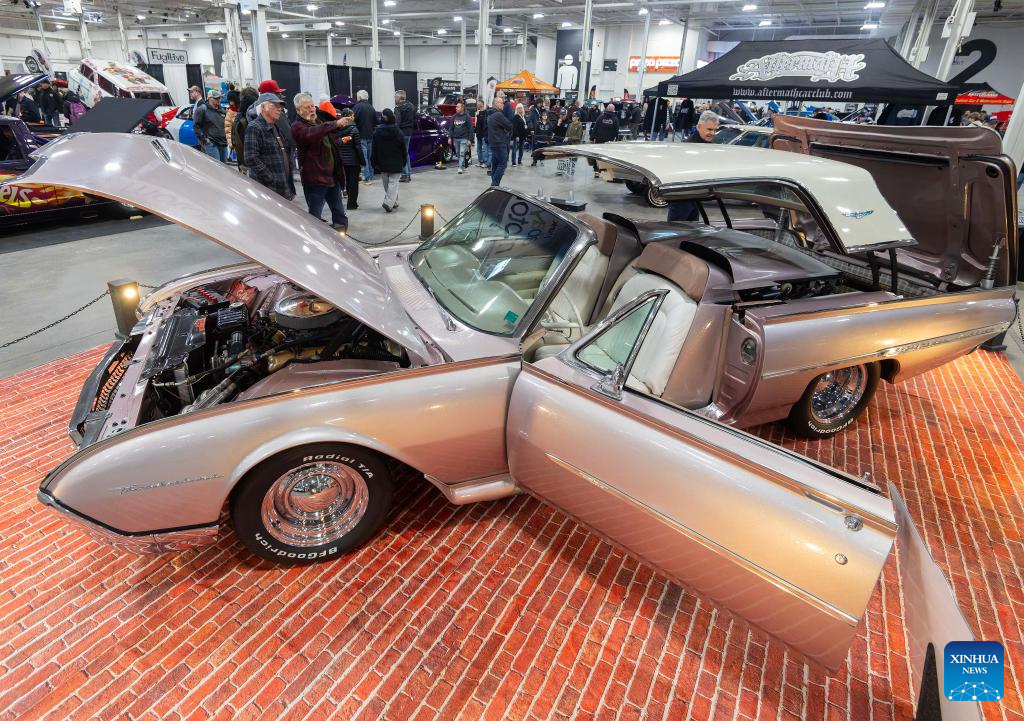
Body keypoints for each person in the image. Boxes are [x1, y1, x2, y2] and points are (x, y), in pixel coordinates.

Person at [291, 92, 348, 229]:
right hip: (315, 180)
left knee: (340, 215)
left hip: (332, 177)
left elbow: (329, 139)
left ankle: (340, 237)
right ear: (298, 110)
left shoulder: (319, 121)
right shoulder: (297, 127)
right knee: (314, 218)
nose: (312, 109)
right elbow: (311, 134)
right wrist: (334, 124)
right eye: (307, 107)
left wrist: (339, 135)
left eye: (312, 106)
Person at [245, 93, 295, 200]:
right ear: (263, 107)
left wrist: (289, 184)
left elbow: (285, 153)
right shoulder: (254, 127)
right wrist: (271, 178)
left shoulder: (275, 127)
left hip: (282, 186)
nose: (279, 109)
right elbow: (251, 158)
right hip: (267, 189)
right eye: (275, 106)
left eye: (280, 106)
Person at [372, 109, 406, 212]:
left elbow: (374, 149)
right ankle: (390, 203)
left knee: (387, 184)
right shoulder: (399, 132)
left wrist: (374, 162)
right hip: (396, 162)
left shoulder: (377, 132)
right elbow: (403, 149)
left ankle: (392, 202)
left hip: (382, 163)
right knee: (393, 184)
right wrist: (404, 161)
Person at [335, 108, 364, 210]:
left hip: (341, 160)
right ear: (349, 116)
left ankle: (345, 200)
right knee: (353, 183)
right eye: (353, 115)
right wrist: (362, 161)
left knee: (346, 181)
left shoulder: (337, 129)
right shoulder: (354, 130)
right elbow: (358, 147)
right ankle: (352, 204)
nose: (354, 117)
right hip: (353, 161)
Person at [194, 89, 229, 162]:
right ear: (209, 98)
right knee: (216, 165)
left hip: (223, 143)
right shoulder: (202, 109)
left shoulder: (222, 110)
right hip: (211, 143)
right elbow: (196, 126)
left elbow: (226, 125)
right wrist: (205, 140)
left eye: (219, 98)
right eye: (216, 98)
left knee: (224, 166)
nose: (218, 100)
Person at [231, 87, 259, 174]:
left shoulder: (239, 116)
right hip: (252, 163)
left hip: (243, 161)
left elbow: (234, 138)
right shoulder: (252, 117)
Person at [486, 95, 512, 187]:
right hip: (499, 142)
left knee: (496, 164)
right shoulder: (498, 115)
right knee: (503, 164)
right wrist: (505, 129)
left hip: (493, 142)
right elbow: (509, 125)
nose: (503, 105)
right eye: (501, 103)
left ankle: (494, 185)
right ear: (496, 103)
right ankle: (495, 184)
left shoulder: (490, 114)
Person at [352, 89, 376, 183]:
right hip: (370, 135)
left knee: (364, 157)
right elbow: (375, 122)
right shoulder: (371, 107)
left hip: (360, 135)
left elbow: (352, 120)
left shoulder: (357, 107)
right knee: (369, 157)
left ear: (359, 97)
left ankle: (366, 177)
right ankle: (370, 175)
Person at [393, 90, 416, 182]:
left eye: (395, 97)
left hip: (401, 132)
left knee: (402, 154)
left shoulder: (398, 108)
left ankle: (405, 175)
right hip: (409, 132)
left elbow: (397, 123)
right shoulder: (411, 106)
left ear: (399, 97)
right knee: (405, 153)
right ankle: (408, 173)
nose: (394, 99)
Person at [448, 101, 474, 174]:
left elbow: (470, 129)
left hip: (464, 138)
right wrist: (449, 137)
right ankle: (462, 165)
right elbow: (451, 128)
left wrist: (470, 139)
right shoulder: (454, 117)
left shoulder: (467, 117)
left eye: (458, 107)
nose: (456, 108)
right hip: (455, 138)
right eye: (456, 107)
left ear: (462, 108)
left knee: (462, 153)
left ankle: (460, 167)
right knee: (458, 153)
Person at [475, 104, 491, 169]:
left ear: (481, 104)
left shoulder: (485, 113)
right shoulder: (478, 113)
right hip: (478, 133)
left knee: (484, 149)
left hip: (484, 134)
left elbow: (484, 124)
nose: (477, 105)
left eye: (478, 104)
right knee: (478, 149)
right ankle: (480, 161)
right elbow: (477, 124)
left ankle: (485, 162)